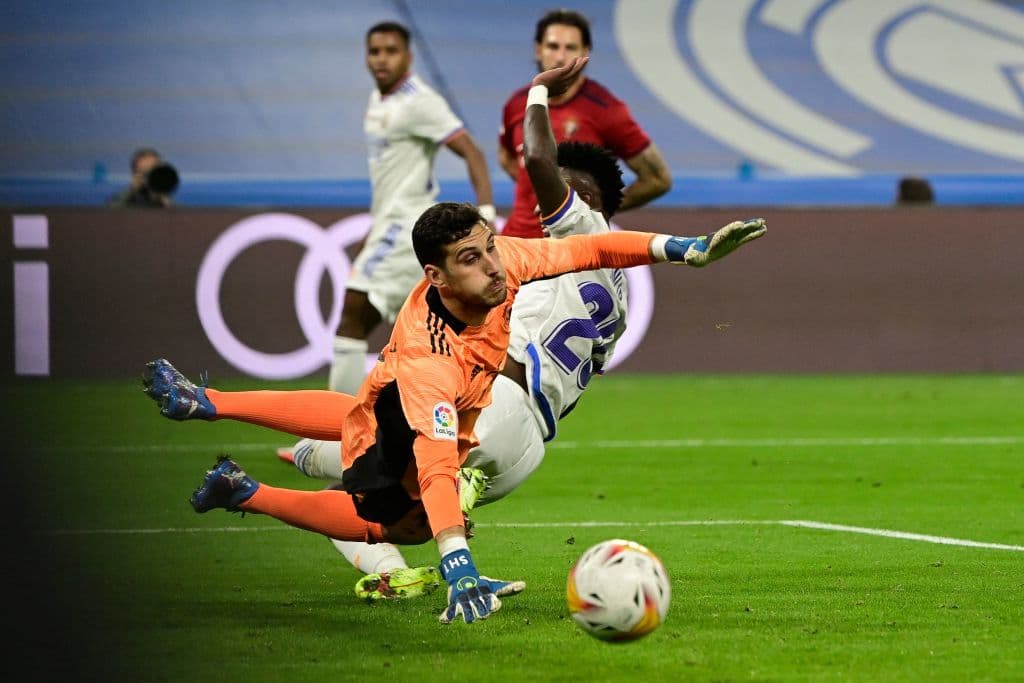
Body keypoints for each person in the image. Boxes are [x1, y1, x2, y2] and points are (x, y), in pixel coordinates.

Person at [142, 58, 765, 625]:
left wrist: (541, 91)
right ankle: (252, 479)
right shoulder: (516, 302)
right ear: (439, 274)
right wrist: (684, 250)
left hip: (500, 407)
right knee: (390, 490)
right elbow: (602, 248)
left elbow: (551, 179)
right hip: (528, 438)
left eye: (489, 251)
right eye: (475, 257)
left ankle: (266, 442)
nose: (495, 263)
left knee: (388, 475)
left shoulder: (524, 252)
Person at [329, 21, 495, 396]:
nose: (381, 59)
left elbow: (473, 152)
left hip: (405, 228)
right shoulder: (379, 100)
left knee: (352, 316)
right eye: (374, 51)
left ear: (409, 56)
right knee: (436, 324)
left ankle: (334, 434)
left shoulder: (419, 101)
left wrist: (486, 214)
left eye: (391, 51)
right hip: (389, 225)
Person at [498, 9, 671, 238]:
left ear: (585, 52)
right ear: (538, 49)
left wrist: (593, 210)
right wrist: (545, 183)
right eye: (552, 46)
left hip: (574, 251)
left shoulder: (606, 110)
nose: (560, 57)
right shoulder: (518, 103)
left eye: (570, 48)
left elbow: (657, 179)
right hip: (517, 243)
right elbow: (507, 157)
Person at [107, 147, 179, 208]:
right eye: (143, 171)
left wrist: (163, 197)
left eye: (153, 169)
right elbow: (109, 212)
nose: (150, 175)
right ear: (135, 175)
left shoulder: (166, 201)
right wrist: (131, 190)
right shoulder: (125, 202)